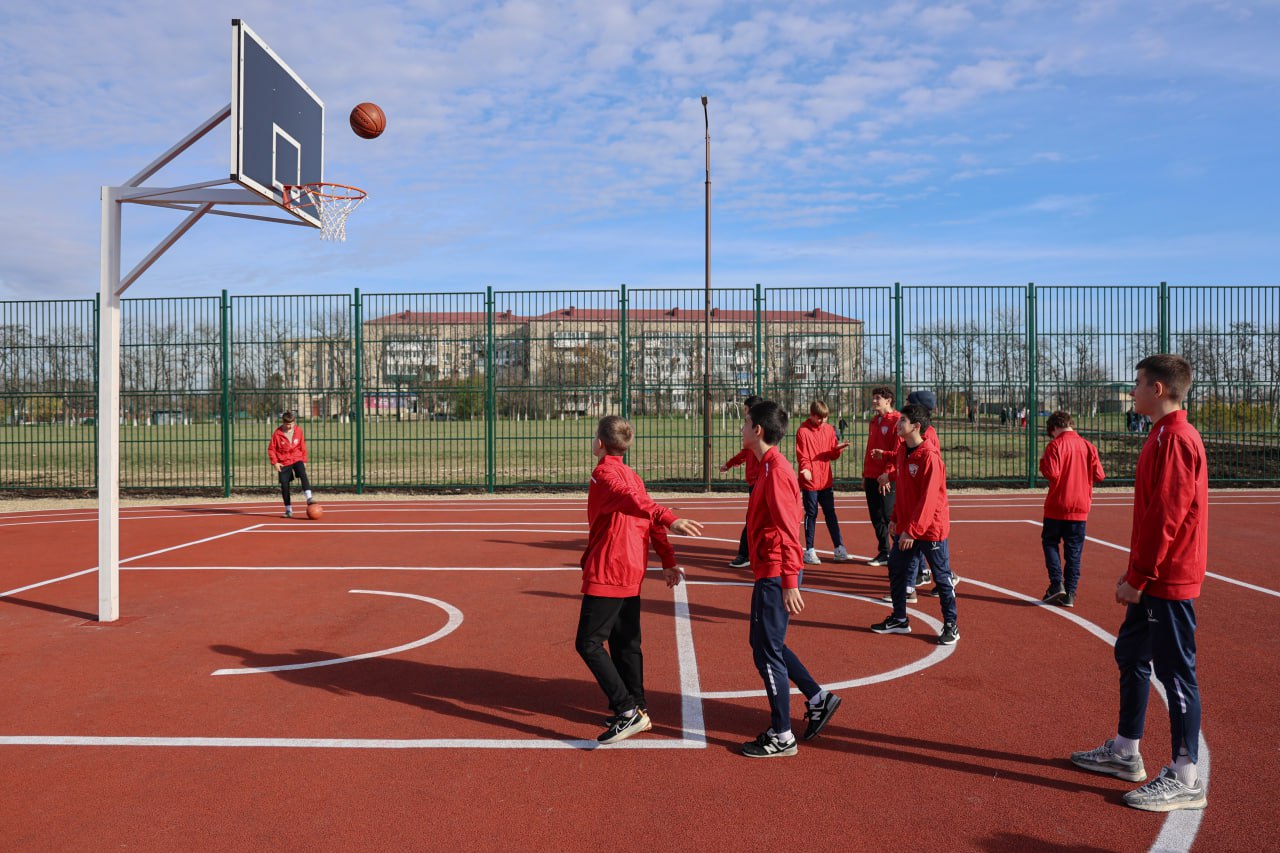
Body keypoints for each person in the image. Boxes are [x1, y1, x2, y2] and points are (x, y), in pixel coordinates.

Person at [1070, 355, 1209, 812]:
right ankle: (1126, 751)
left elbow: (1167, 515)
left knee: (1176, 673)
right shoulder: (1161, 434)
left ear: (1159, 389)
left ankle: (1186, 776)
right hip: (1153, 577)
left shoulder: (1177, 438)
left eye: (1138, 383)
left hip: (1168, 579)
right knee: (1131, 654)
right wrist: (1136, 574)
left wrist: (1141, 577)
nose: (1132, 391)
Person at [577, 415, 705, 745]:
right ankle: (638, 707)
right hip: (630, 567)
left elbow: (639, 505)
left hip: (610, 568)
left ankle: (626, 710)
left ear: (600, 443)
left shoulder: (605, 474)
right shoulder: (633, 476)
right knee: (625, 643)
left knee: (588, 643)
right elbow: (648, 518)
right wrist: (668, 559)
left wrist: (669, 518)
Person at [738, 400, 842, 757]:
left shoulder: (777, 471)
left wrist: (789, 581)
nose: (741, 427)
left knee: (767, 652)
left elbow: (788, 530)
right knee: (765, 644)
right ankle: (817, 697)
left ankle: (782, 735)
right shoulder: (766, 465)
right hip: (769, 568)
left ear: (758, 430)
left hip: (776, 571)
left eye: (746, 422)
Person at [870, 402, 960, 645]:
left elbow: (929, 500)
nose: (898, 424)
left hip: (930, 529)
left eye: (903, 421)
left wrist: (912, 530)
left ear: (916, 426)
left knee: (941, 577)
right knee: (896, 567)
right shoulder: (902, 451)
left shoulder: (930, 457)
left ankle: (951, 625)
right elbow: (903, 491)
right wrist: (896, 518)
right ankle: (900, 618)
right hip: (908, 526)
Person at [1039, 411, 1106, 608]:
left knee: (1050, 543)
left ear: (1054, 428)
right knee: (1074, 551)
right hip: (1080, 506)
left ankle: (1056, 583)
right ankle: (1070, 593)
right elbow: (1100, 475)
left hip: (1058, 505)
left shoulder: (1055, 445)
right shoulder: (1088, 446)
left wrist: (1043, 461)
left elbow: (1052, 473)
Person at [795, 399, 852, 564]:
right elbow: (803, 455)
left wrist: (837, 449)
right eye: (819, 418)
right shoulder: (803, 431)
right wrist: (806, 469)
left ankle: (839, 547)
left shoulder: (828, 429)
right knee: (811, 513)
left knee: (830, 513)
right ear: (812, 415)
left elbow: (831, 455)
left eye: (825, 417)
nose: (823, 421)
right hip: (810, 481)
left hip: (825, 479)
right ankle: (810, 550)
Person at [720, 395, 763, 568]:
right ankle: (750, 553)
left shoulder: (760, 432)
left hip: (761, 481)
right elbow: (745, 453)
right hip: (754, 482)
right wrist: (730, 464)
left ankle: (745, 554)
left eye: (746, 410)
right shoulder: (752, 432)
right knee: (755, 519)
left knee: (754, 519)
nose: (744, 413)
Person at [860, 386, 901, 567]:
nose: (874, 401)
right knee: (876, 516)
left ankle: (902, 552)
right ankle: (884, 552)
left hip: (886, 477)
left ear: (888, 400)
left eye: (877, 398)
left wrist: (887, 474)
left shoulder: (897, 421)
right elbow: (870, 449)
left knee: (889, 515)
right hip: (871, 475)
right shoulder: (874, 421)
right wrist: (865, 474)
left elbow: (897, 451)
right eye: (874, 397)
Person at [268, 411, 315, 518]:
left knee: (302, 474)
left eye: (292, 423)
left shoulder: (298, 431)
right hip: (284, 461)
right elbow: (271, 449)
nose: (290, 426)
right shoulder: (277, 434)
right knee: (284, 485)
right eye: (288, 424)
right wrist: (275, 462)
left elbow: (302, 446)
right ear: (283, 422)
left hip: (297, 458)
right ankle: (288, 509)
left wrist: (304, 460)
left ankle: (309, 498)